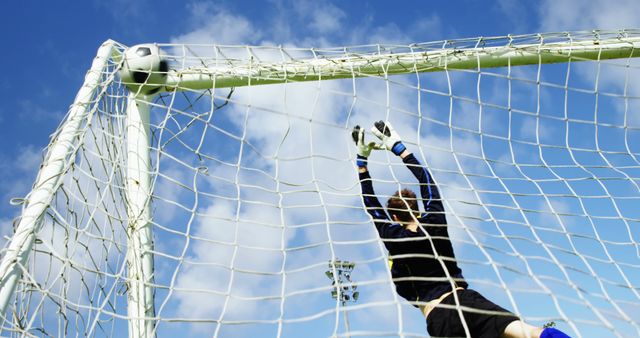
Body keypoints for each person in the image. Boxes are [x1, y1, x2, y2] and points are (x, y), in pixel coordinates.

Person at [352, 121, 570, 338]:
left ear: (395, 217)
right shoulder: (434, 221)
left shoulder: (394, 238)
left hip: (437, 318)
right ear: (417, 207)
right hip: (466, 301)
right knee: (529, 333)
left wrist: (362, 162)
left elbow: (372, 207)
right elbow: (427, 181)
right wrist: (399, 147)